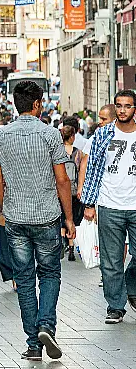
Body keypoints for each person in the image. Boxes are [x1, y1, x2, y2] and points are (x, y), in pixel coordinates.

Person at [0, 80, 75, 361]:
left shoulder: (0, 136)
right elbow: (62, 179)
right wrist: (69, 219)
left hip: (16, 217)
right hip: (47, 216)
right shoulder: (50, 135)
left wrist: (6, 207)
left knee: (24, 279)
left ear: (17, 104)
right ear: (38, 104)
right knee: (49, 273)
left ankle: (33, 345)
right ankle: (46, 325)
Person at [81, 90, 136, 324]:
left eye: (128, 106)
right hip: (109, 204)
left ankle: (130, 285)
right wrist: (89, 203)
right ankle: (115, 306)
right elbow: (93, 169)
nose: (123, 110)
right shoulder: (103, 134)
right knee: (111, 259)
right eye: (119, 105)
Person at [60, 125, 84, 261]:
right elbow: (82, 172)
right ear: (73, 136)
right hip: (74, 190)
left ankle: (62, 240)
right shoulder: (78, 153)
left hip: (61, 190)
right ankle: (71, 248)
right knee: (73, 217)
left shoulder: (58, 151)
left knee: (62, 216)